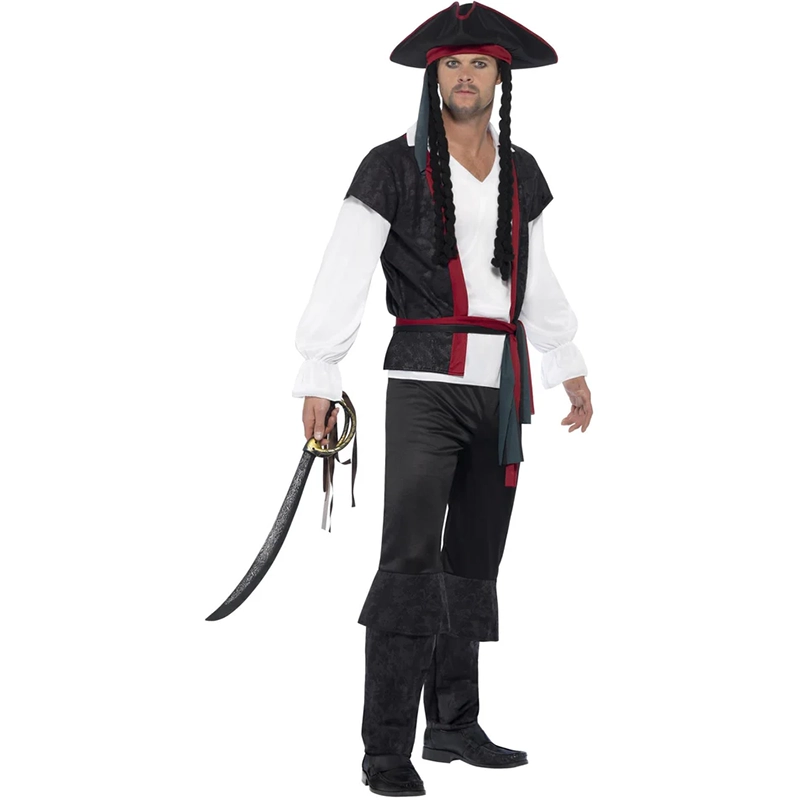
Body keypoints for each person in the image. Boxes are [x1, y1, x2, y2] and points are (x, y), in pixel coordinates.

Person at [292, 2, 593, 795]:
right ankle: (385, 750)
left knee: (474, 565)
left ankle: (454, 726)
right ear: (434, 77)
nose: (466, 76)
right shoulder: (389, 166)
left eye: (480, 64)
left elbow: (535, 276)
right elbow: (345, 267)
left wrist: (565, 360)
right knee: (410, 564)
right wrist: (320, 372)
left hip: (503, 389)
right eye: (453, 64)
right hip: (424, 388)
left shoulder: (522, 171)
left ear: (500, 78)